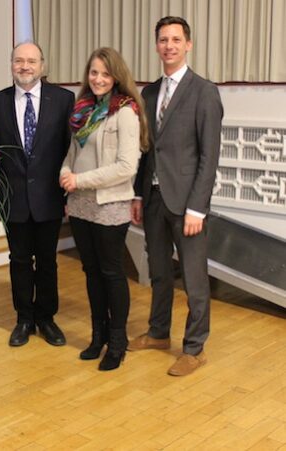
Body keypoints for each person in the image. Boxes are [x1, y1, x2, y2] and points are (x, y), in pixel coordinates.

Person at [128, 16, 223, 376]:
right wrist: (138, 195)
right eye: (163, 40)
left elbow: (208, 156)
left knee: (195, 279)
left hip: (188, 205)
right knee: (159, 272)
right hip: (153, 200)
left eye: (176, 39)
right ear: (156, 46)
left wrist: (198, 207)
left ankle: (195, 348)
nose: (169, 45)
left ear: (188, 44)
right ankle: (158, 332)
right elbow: (146, 149)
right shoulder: (149, 93)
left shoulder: (204, 91)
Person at [59, 47, 148, 371]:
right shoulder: (82, 109)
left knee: (111, 273)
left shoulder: (125, 112)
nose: (98, 79)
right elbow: (70, 155)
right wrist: (65, 176)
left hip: (110, 205)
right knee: (91, 272)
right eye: (94, 72)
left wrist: (79, 179)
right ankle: (98, 337)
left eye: (105, 74)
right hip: (80, 205)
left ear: (116, 77)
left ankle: (118, 341)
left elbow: (126, 167)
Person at [0, 42, 74, 348]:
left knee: (48, 261)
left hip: (50, 197)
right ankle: (24, 318)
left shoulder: (64, 99)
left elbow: (69, 150)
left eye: (31, 61)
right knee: (20, 260)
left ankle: (46, 318)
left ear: (42, 65)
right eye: (19, 61)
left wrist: (68, 197)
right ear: (11, 64)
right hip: (13, 199)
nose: (25, 66)